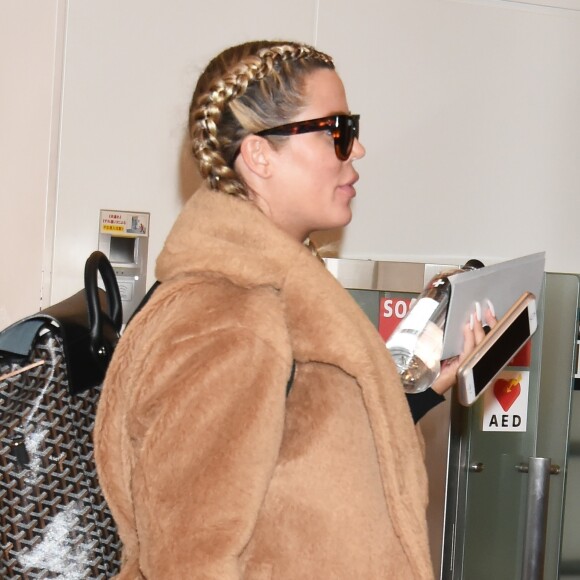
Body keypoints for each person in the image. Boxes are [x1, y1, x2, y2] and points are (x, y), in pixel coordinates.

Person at [94, 40, 493, 579]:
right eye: (337, 131)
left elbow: (301, 452)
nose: (357, 150)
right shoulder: (227, 314)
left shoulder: (279, 292)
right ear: (259, 155)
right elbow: (189, 559)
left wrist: (422, 391)